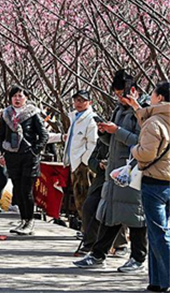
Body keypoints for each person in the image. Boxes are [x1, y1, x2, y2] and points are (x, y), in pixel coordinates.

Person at [74, 70, 148, 272]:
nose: (119, 98)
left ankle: (138, 258)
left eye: (121, 94)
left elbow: (144, 142)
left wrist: (118, 131)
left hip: (133, 171)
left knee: (135, 215)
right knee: (110, 213)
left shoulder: (144, 111)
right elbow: (114, 141)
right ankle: (99, 254)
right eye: (116, 94)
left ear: (133, 90)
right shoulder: (119, 110)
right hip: (116, 171)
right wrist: (105, 132)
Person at [131, 81, 169, 292]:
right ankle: (157, 281)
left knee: (158, 234)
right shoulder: (155, 120)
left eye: (153, 94)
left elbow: (146, 154)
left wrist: (134, 150)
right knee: (158, 234)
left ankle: (166, 278)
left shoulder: (155, 123)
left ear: (160, 98)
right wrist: (138, 108)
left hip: (154, 184)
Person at [0, 85, 48, 236]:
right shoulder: (5, 115)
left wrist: (35, 151)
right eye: (14, 96)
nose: (17, 99)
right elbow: (0, 135)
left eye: (20, 96)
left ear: (26, 98)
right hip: (12, 156)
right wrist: (4, 151)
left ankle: (29, 221)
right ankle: (23, 220)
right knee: (17, 190)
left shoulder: (33, 114)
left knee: (27, 190)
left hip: (28, 157)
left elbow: (43, 135)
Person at [62, 89, 98, 249]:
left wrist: (84, 160)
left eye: (82, 100)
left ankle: (89, 232)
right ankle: (85, 229)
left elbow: (93, 143)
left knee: (86, 198)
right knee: (78, 198)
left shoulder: (91, 119)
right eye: (76, 100)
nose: (78, 103)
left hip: (84, 166)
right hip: (75, 163)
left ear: (89, 102)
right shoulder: (75, 118)